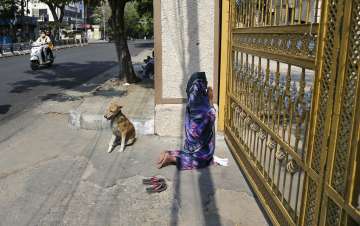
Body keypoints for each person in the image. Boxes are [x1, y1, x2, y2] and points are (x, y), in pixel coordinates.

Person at [157, 72, 216, 170]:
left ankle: (168, 153)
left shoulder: (192, 103)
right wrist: (211, 101)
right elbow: (211, 117)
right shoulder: (206, 107)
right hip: (201, 150)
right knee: (201, 162)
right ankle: (172, 158)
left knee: (189, 153)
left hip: (189, 146)